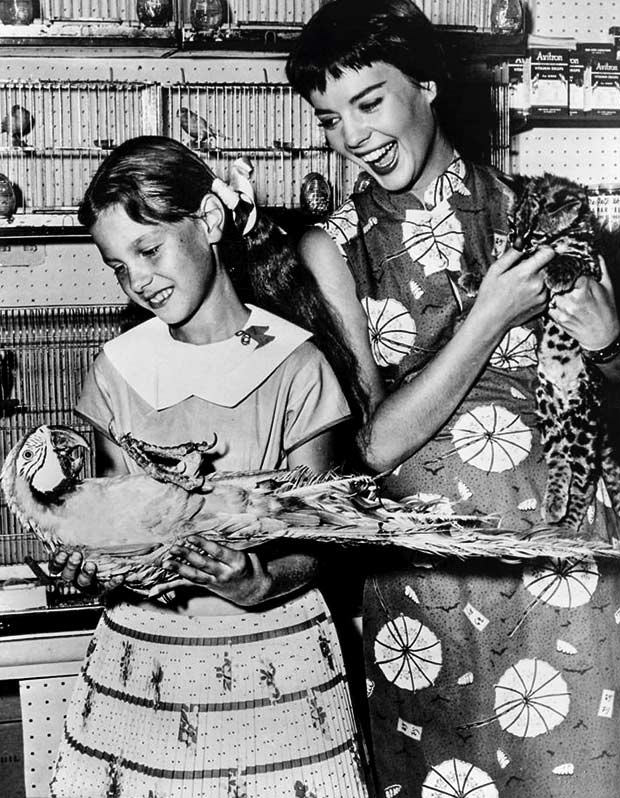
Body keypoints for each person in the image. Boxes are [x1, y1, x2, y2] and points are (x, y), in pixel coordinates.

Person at [286, 2, 620, 796]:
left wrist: (612, 342)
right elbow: (365, 450)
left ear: (429, 83)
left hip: (566, 568)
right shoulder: (331, 248)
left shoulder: (541, 210)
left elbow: (612, 404)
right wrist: (489, 318)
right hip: (426, 589)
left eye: (369, 102)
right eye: (330, 119)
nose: (353, 136)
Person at [48, 136, 370, 798]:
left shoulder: (294, 365)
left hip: (272, 667)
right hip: (146, 664)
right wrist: (91, 556)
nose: (138, 279)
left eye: (149, 249)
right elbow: (119, 521)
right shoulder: (119, 369)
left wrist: (255, 582)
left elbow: (317, 542)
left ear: (210, 222)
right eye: (118, 266)